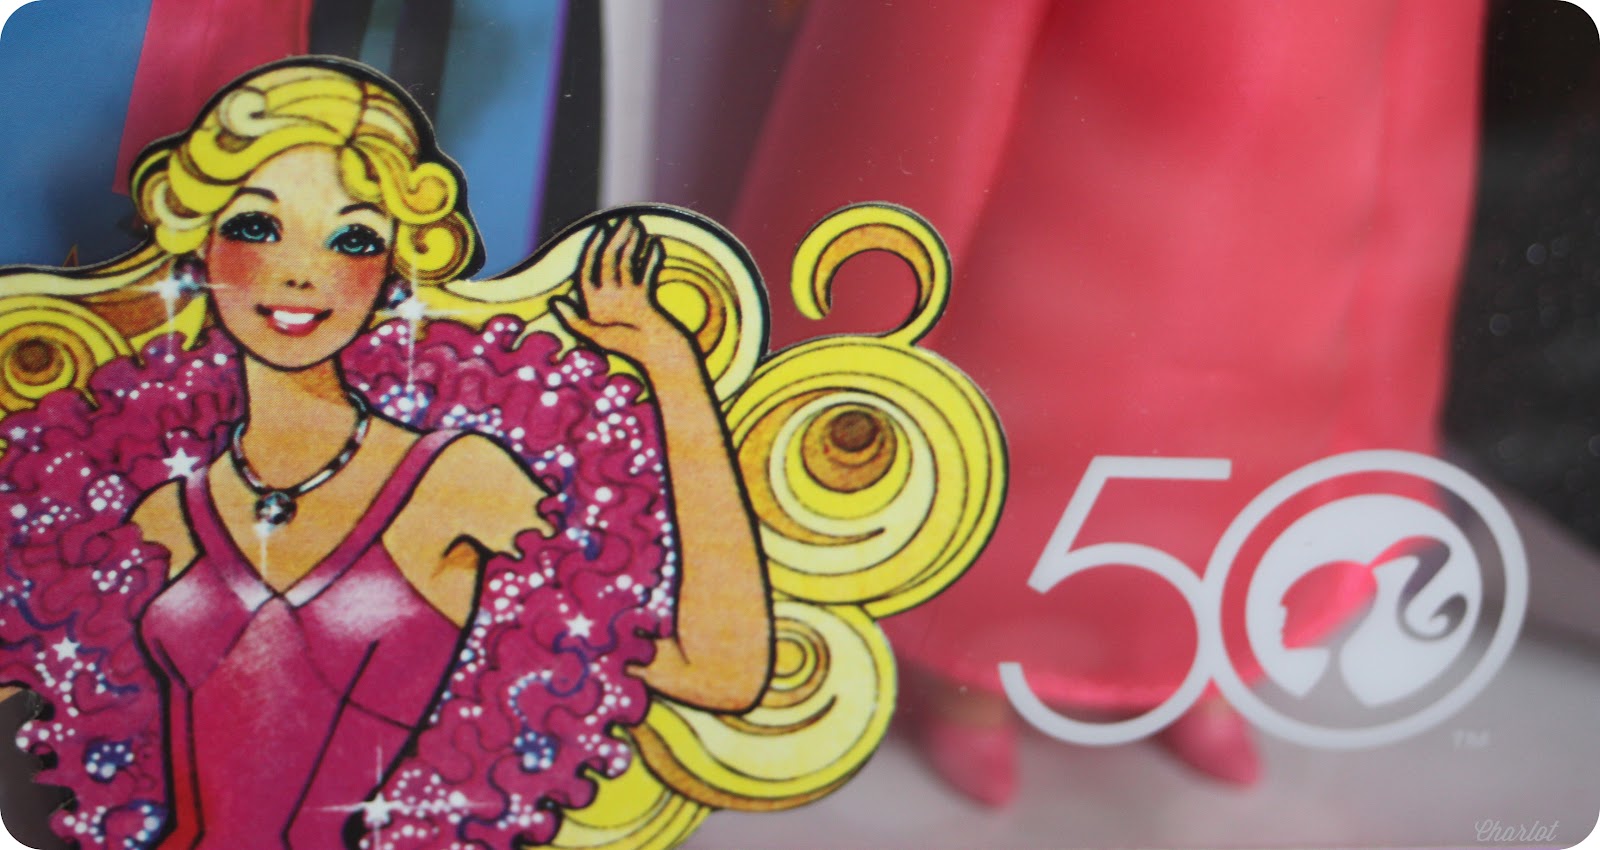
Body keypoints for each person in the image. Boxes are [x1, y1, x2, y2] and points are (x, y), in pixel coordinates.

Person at [0, 57, 771, 849]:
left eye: (353, 238)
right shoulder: (162, 511)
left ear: (393, 271)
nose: (301, 272)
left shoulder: (456, 482)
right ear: (200, 251)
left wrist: (672, 368)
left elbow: (718, 672)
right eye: (257, 227)